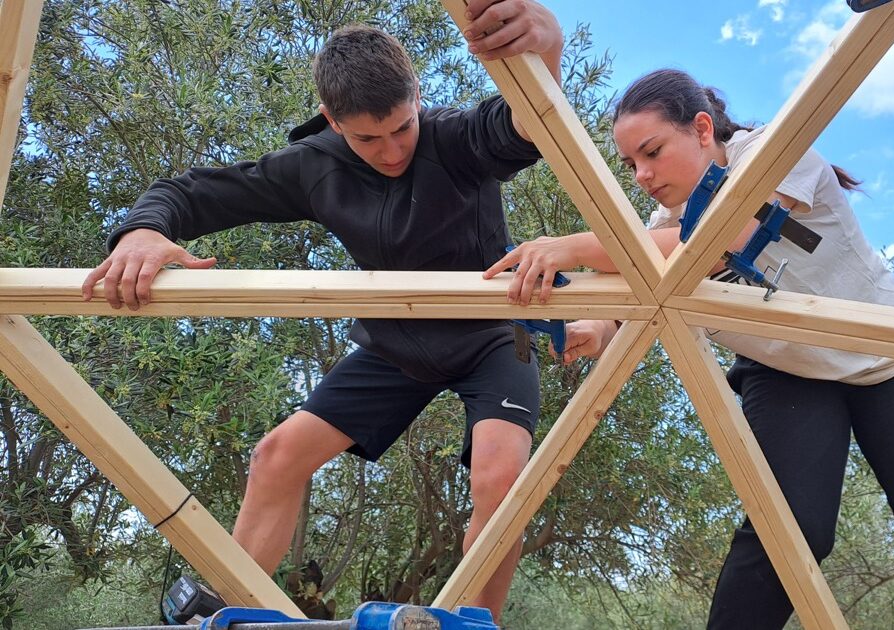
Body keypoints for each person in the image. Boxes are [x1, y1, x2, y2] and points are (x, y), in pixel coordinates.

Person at [485, 68, 894, 628]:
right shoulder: (658, 226)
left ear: (700, 128)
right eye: (630, 165)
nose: (642, 175)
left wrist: (569, 246)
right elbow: (627, 309)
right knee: (785, 537)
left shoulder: (776, 151)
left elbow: (722, 238)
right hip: (784, 369)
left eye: (652, 152)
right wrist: (587, 329)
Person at [81, 3, 563, 620]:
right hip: (397, 346)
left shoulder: (454, 139)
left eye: (401, 128)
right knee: (276, 456)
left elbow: (527, 123)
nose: (391, 151)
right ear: (333, 121)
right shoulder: (315, 166)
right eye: (368, 137)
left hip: (493, 339)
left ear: (417, 97)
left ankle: (473, 622)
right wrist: (141, 233)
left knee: (500, 483)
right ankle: (231, 608)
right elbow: (192, 193)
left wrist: (544, 52)